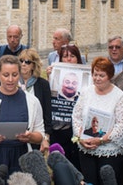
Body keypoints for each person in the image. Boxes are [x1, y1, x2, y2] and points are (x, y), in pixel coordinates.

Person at [72, 57, 123, 185]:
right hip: (86, 149)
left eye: (101, 75)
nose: (97, 78)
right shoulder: (86, 92)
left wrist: (102, 140)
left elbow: (122, 125)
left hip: (109, 152)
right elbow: (76, 116)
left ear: (110, 76)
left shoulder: (119, 96)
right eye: (95, 74)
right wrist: (80, 137)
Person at [51, 43, 84, 171]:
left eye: (72, 56)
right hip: (60, 128)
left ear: (78, 58)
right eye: (65, 56)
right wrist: (51, 77)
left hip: (77, 130)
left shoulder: (86, 76)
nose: (68, 59)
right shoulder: (54, 75)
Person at [18, 48, 52, 151]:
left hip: (35, 135)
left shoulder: (42, 84)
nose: (23, 64)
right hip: (16, 133)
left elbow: (47, 114)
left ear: (33, 65)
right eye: (21, 61)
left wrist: (45, 138)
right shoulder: (12, 82)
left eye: (27, 62)